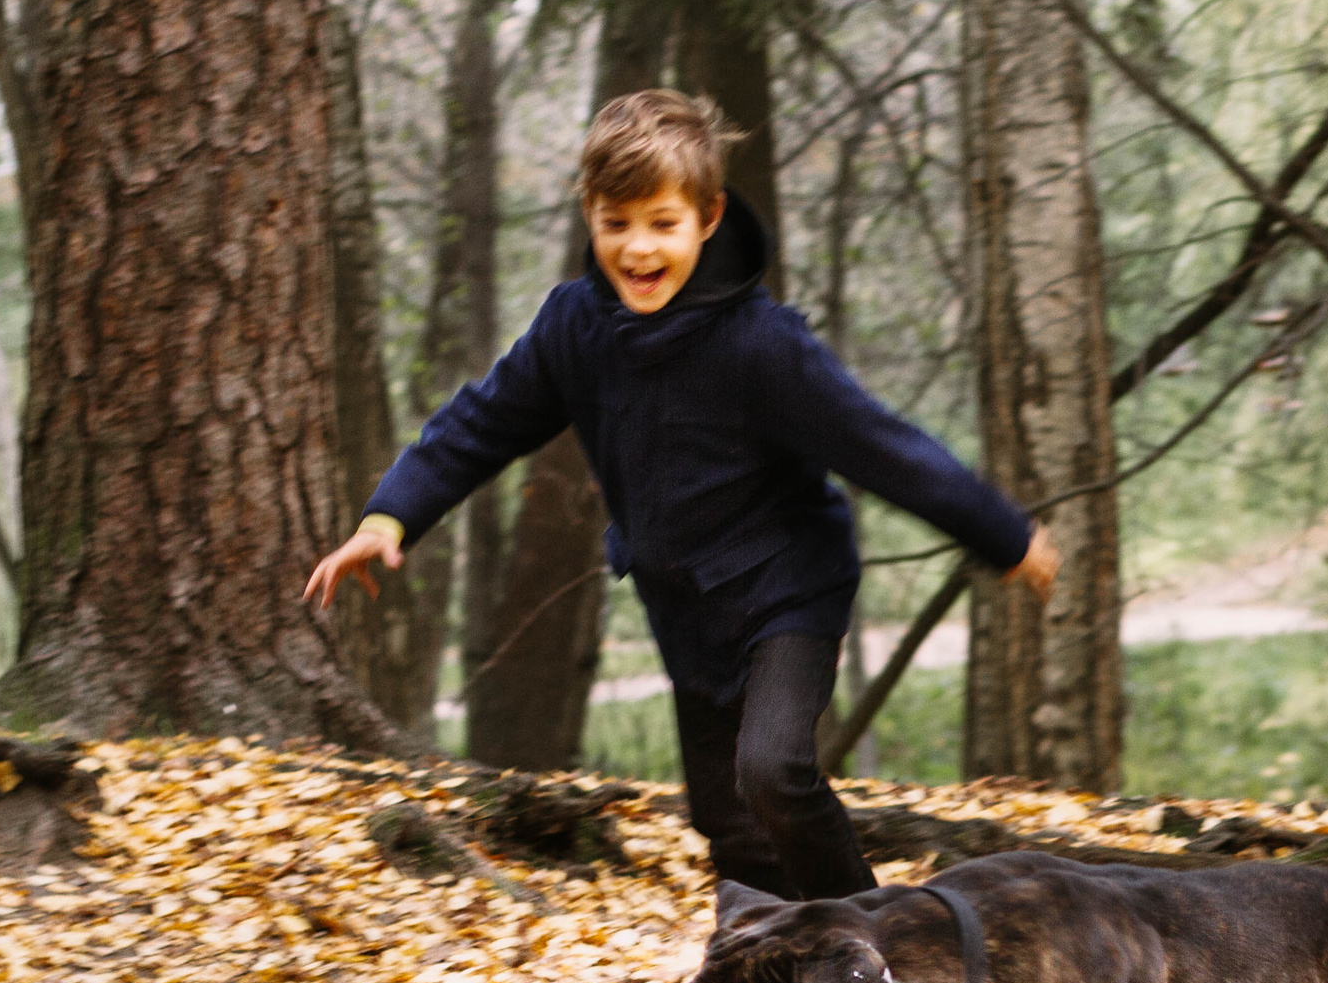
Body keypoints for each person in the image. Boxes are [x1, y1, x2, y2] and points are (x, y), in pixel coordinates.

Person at [306, 89, 1058, 901]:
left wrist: (1003, 536)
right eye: (615, 222)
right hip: (686, 606)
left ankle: (880, 941)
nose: (637, 248)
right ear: (589, 216)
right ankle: (764, 975)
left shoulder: (763, 346)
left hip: (788, 593)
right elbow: (479, 423)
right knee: (727, 820)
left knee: (771, 771)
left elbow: (883, 447)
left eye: (662, 223)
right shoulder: (575, 328)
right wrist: (391, 514)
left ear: (707, 217)